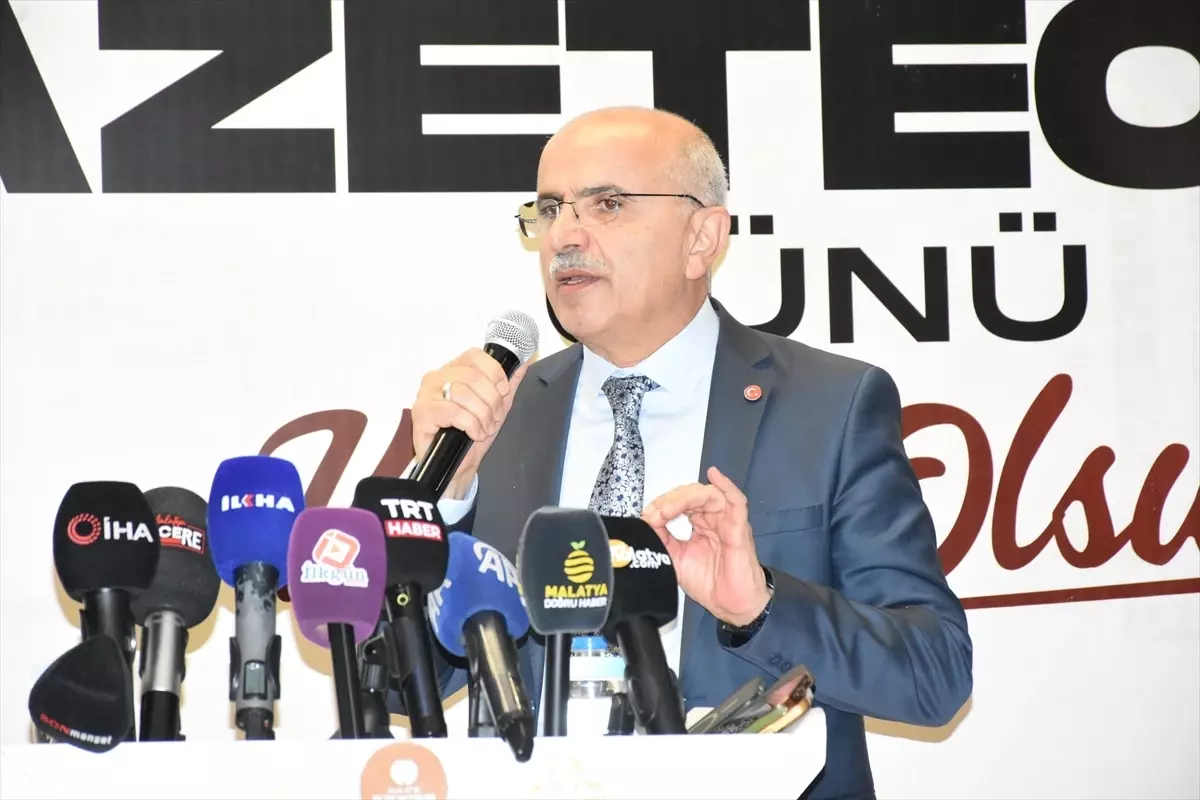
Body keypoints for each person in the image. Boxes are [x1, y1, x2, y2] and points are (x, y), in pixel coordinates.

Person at [402, 106, 972, 799]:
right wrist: (447, 496)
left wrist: (759, 606)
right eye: (550, 209)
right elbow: (408, 684)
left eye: (608, 204)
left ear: (703, 238)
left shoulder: (832, 406)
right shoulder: (498, 414)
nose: (564, 237)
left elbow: (934, 672)